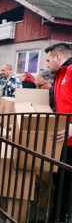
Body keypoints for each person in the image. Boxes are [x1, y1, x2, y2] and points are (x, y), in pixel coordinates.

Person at [45, 43, 72, 221]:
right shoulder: (59, 74)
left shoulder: (70, 71)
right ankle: (58, 216)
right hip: (62, 140)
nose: (47, 64)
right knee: (60, 183)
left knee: (66, 185)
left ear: (57, 57)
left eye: (48, 60)